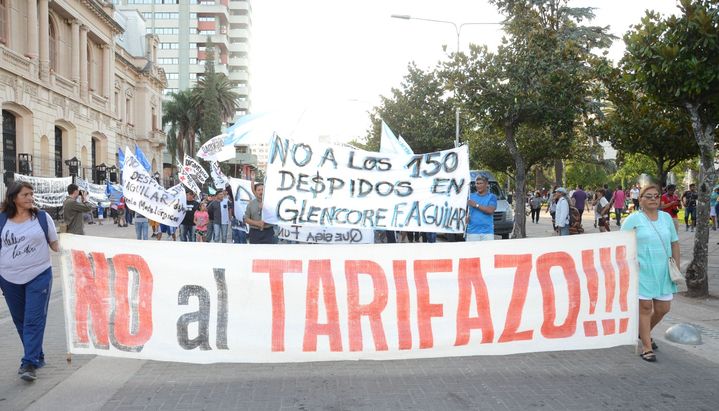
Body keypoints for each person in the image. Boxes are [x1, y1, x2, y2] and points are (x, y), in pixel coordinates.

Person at [0, 182, 60, 381]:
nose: (30, 197)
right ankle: (37, 355)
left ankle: (29, 363)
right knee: (21, 321)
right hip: (8, 278)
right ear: (13, 197)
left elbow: (54, 243)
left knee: (33, 320)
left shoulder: (42, 218)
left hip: (39, 275)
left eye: (31, 194)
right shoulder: (2, 220)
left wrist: (76, 248)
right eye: (25, 194)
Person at [621, 184, 680, 362]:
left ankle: (642, 332)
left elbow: (674, 243)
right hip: (642, 271)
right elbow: (621, 244)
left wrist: (676, 266)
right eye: (649, 196)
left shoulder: (666, 218)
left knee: (663, 308)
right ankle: (646, 346)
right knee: (645, 308)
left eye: (656, 196)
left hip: (663, 271)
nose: (653, 199)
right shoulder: (633, 220)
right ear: (641, 200)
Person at [465, 174, 497, 241]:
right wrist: (466, 217)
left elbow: (490, 210)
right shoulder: (470, 197)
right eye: (477, 183)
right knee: (472, 251)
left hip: (487, 232)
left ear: (486, 184)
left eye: (480, 183)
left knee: (488, 251)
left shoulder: (492, 197)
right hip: (472, 232)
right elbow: (464, 211)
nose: (478, 185)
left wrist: (476, 205)